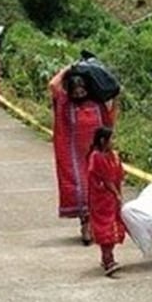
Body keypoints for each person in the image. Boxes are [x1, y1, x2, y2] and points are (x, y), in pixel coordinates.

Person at [49, 64, 117, 244]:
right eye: (75, 91)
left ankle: (97, 226)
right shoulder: (64, 105)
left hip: (95, 157)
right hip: (74, 157)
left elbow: (109, 121)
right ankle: (86, 225)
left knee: (100, 191)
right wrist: (69, 68)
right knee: (81, 191)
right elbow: (53, 86)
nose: (79, 94)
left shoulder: (97, 104)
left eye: (82, 90)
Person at [87, 126, 126, 276]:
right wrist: (116, 194)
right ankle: (107, 258)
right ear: (103, 141)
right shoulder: (96, 157)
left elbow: (118, 175)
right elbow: (106, 179)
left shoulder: (112, 155)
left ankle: (108, 257)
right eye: (111, 139)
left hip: (111, 198)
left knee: (113, 226)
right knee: (106, 228)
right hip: (102, 199)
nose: (113, 142)